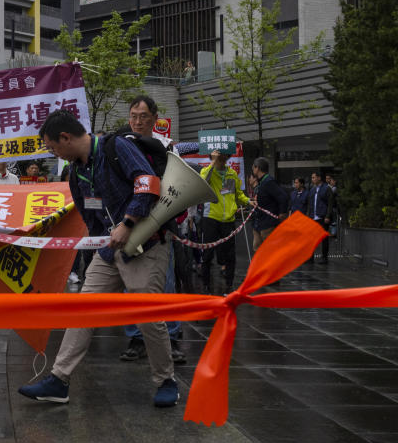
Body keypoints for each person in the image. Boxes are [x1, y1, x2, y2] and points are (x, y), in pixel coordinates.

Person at [17, 109, 179, 408]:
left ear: (66, 137)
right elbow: (90, 216)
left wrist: (128, 223)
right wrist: (97, 247)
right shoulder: (77, 171)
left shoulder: (115, 146)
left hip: (146, 244)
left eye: (54, 148)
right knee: (83, 309)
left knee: (147, 315)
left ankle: (165, 380)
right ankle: (59, 379)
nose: (55, 154)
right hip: (108, 250)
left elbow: (147, 182)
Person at [116, 97, 187, 365]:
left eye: (143, 116)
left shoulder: (166, 148)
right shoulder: (120, 145)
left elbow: (178, 186)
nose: (137, 121)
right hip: (130, 223)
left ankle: (172, 337)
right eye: (133, 115)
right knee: (130, 286)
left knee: (165, 285)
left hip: (158, 227)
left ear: (155, 118)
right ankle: (136, 337)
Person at [198, 149, 250, 294]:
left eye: (223, 156)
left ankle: (229, 285)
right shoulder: (206, 171)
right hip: (211, 218)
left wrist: (248, 201)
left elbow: (237, 195)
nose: (221, 158)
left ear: (227, 157)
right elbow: (202, 184)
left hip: (228, 220)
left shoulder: (232, 174)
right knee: (207, 255)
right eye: (218, 156)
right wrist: (213, 163)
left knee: (230, 255)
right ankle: (206, 286)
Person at [250, 157, 288, 251]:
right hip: (258, 222)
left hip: (268, 224)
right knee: (257, 249)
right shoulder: (261, 182)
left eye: (253, 167)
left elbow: (283, 197)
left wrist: (282, 212)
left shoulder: (269, 181)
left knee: (270, 251)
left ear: (257, 168)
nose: (252, 169)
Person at [308, 171, 334, 264]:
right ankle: (310, 258)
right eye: (312, 178)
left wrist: (328, 216)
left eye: (314, 177)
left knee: (323, 238)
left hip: (322, 217)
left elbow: (330, 204)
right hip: (313, 217)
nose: (312, 179)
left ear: (319, 178)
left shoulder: (326, 189)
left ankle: (324, 257)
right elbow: (310, 204)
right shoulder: (312, 190)